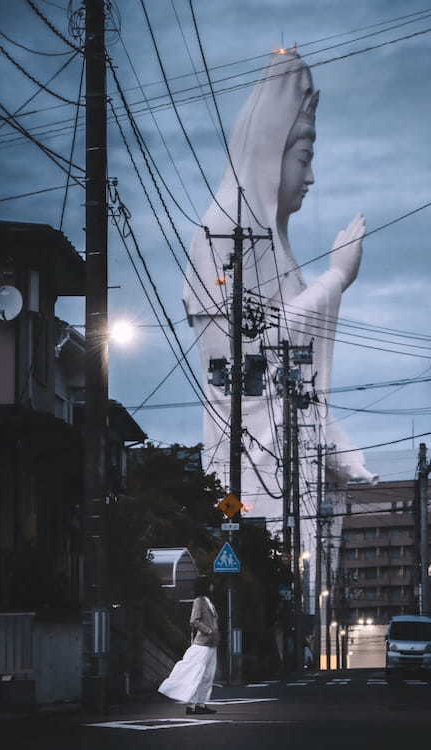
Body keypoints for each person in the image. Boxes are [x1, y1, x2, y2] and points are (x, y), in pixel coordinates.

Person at [183, 49, 376, 518]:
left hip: (287, 466)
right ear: (270, 152)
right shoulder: (224, 231)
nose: (310, 177)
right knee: (258, 556)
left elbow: (298, 381)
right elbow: (240, 360)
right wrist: (335, 279)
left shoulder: (276, 244)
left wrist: (343, 455)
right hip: (247, 467)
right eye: (303, 157)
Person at [158, 578, 220, 715]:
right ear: (204, 586)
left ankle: (201, 704)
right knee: (195, 673)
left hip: (212, 644)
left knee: (208, 675)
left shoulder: (208, 601)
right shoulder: (199, 601)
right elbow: (194, 620)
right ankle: (191, 706)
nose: (212, 585)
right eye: (210, 583)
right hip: (202, 644)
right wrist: (208, 631)